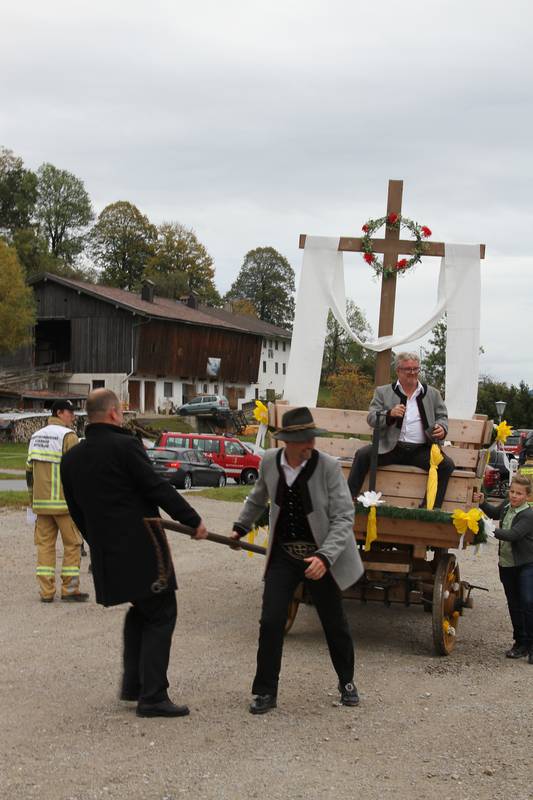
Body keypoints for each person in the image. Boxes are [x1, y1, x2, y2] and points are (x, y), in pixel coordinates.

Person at [60, 389, 208, 718]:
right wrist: (193, 520)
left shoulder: (71, 459)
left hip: (108, 552)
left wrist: (98, 542)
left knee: (142, 608)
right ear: (114, 413)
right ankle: (153, 696)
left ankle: (134, 685)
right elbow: (155, 487)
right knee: (161, 611)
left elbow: (76, 510)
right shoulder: (125, 446)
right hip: (142, 547)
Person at [231, 406, 364, 715]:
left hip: (320, 555)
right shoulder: (269, 461)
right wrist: (240, 527)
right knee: (270, 621)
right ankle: (265, 691)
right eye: (305, 439)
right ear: (287, 442)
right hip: (284, 555)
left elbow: (344, 517)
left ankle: (347, 682)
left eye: (312, 437)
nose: (311, 443)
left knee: (334, 622)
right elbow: (257, 497)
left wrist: (325, 557)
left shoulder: (328, 466)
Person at [348, 352, 455, 509]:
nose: (412, 372)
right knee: (363, 455)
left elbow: (442, 416)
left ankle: (428, 509)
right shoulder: (383, 392)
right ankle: (347, 500)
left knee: (446, 465)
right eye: (408, 369)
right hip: (391, 447)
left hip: (421, 450)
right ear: (398, 370)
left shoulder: (432, 393)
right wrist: (389, 414)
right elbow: (371, 418)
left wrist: (442, 427)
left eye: (415, 369)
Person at [26, 399, 89, 603]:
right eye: (70, 412)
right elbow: (77, 470)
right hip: (64, 504)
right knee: (73, 544)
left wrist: (32, 500)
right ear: (59, 412)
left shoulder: (36, 436)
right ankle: (69, 590)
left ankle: (46, 592)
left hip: (41, 504)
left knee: (45, 546)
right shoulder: (68, 436)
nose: (73, 416)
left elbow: (29, 472)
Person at [476, 476, 533, 664]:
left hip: (526, 564)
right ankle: (520, 643)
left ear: (527, 496)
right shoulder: (507, 506)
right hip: (506, 564)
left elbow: (513, 535)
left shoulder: (528, 515)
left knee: (527, 603)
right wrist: (482, 502)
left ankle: (531, 645)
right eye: (512, 491)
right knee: (514, 604)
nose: (514, 496)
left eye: (519, 493)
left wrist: (487, 529)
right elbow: (494, 512)